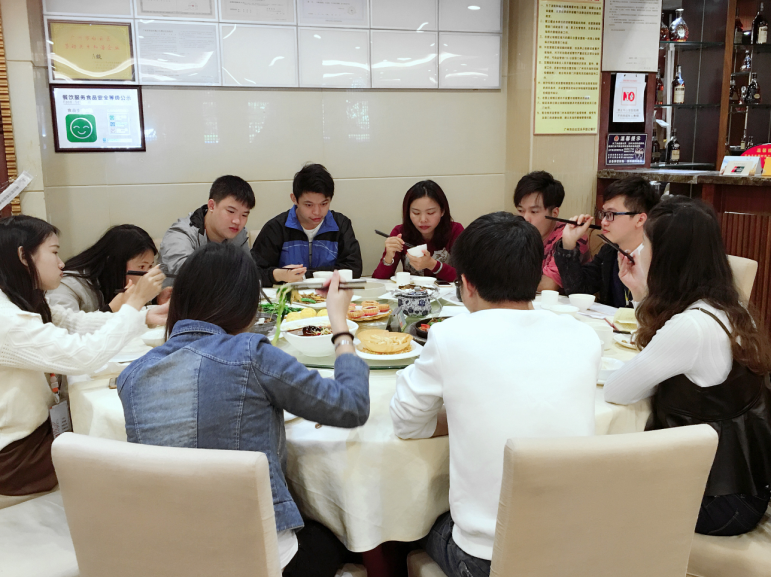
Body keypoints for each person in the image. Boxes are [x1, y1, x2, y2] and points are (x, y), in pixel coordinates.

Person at [117, 242, 370, 576]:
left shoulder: (132, 376)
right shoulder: (249, 353)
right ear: (245, 303)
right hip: (260, 560)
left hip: (171, 559)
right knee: (348, 535)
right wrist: (339, 325)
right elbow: (351, 405)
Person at [390, 212, 601, 577]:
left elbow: (406, 422)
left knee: (407, 525)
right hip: (573, 549)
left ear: (466, 283)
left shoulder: (452, 336)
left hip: (489, 560)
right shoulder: (584, 336)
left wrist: (456, 417)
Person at [604, 196, 771, 537]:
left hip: (717, 501)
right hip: (744, 489)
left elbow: (618, 389)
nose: (638, 252)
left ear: (666, 259)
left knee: (596, 485)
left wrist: (643, 295)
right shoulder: (726, 307)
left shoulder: (691, 327)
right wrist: (641, 293)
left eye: (646, 244)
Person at [0, 216, 167, 506]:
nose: (62, 262)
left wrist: (144, 316)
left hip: (36, 435)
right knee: (123, 460)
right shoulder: (8, 320)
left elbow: (75, 323)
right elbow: (84, 355)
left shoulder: (22, 299)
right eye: (54, 252)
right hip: (17, 457)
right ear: (23, 257)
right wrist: (135, 302)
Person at [554, 176, 660, 308]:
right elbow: (579, 291)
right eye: (603, 214)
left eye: (611, 215)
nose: (603, 222)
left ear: (640, 219)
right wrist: (568, 244)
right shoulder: (610, 251)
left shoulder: (660, 257)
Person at [251, 163, 362, 286]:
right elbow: (253, 272)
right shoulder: (276, 228)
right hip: (288, 295)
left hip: (329, 294)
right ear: (294, 199)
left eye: (324, 204)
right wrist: (279, 275)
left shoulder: (341, 225)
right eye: (309, 205)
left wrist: (305, 275)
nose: (317, 212)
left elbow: (354, 268)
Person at [48, 224, 169, 313]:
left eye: (150, 266)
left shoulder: (117, 282)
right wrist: (112, 308)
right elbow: (65, 331)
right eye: (142, 266)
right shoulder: (68, 286)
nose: (147, 274)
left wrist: (155, 299)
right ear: (113, 262)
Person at [159, 175, 255, 281]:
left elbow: (250, 274)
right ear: (211, 206)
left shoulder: (238, 234)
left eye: (244, 215)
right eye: (231, 211)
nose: (237, 221)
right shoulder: (181, 234)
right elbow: (189, 274)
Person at [372, 180, 464, 282]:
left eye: (430, 213)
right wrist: (388, 257)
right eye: (416, 213)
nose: (423, 219)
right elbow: (378, 281)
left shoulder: (455, 231)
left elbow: (465, 278)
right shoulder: (400, 233)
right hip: (411, 291)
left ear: (442, 211)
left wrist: (432, 265)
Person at [514, 171, 589, 292]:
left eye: (534, 212)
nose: (525, 218)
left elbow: (548, 285)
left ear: (554, 213)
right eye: (520, 210)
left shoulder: (572, 236)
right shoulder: (516, 235)